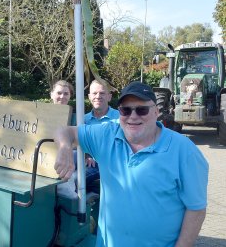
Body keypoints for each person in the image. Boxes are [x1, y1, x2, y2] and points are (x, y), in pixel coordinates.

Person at [53, 81, 208, 246]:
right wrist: (65, 148)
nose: (133, 117)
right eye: (125, 110)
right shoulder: (108, 134)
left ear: (156, 111)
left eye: (142, 110)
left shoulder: (185, 152)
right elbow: (63, 131)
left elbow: (196, 209)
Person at [83, 80, 120, 193]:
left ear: (109, 97)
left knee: (77, 179)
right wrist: (86, 155)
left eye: (102, 93)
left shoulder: (120, 118)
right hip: (89, 164)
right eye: (94, 93)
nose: (98, 96)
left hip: (111, 165)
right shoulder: (83, 119)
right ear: (89, 97)